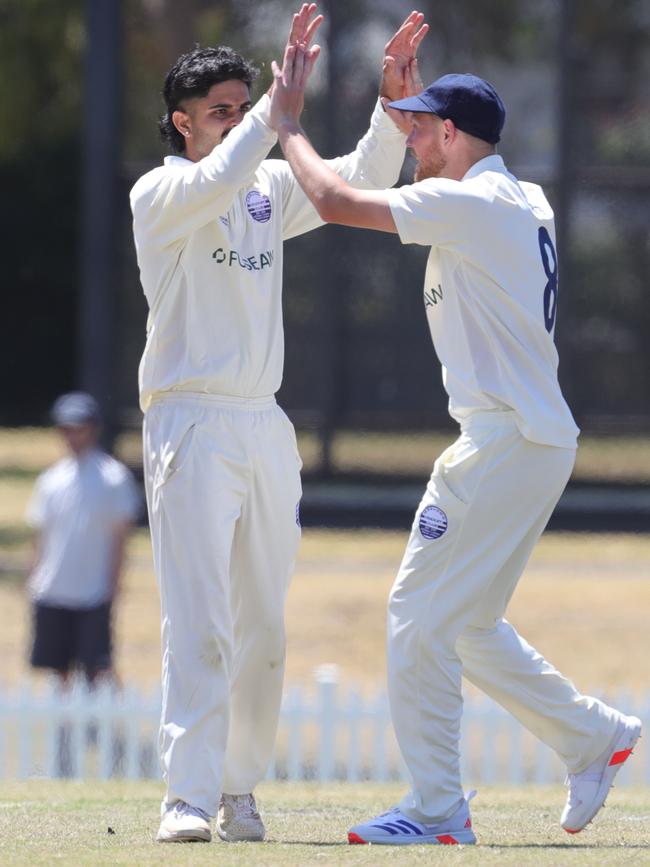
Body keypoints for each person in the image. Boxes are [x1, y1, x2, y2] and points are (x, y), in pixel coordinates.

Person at [269, 45, 642, 845]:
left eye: (417, 131)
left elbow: (333, 200)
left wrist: (288, 125)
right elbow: (417, 192)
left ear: (451, 134)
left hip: (504, 440)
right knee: (467, 624)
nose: (408, 143)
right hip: (529, 438)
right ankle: (592, 736)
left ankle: (438, 806)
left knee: (415, 618)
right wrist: (400, 104)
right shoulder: (512, 197)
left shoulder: (475, 205)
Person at [129, 3, 428, 844]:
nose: (234, 121)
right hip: (189, 421)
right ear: (183, 121)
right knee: (200, 620)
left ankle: (238, 789)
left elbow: (362, 175)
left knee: (262, 622)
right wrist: (273, 113)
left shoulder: (264, 188)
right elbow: (217, 176)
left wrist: (389, 102)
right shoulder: (162, 192)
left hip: (262, 424)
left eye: (240, 104)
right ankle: (184, 796)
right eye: (218, 111)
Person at [26, 392, 139, 689]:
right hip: (54, 588)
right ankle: (65, 731)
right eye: (66, 428)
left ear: (93, 428)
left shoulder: (113, 478)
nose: (72, 435)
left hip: (93, 589)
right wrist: (34, 578)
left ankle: (109, 728)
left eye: (79, 427)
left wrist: (114, 583)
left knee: (99, 667)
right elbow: (40, 536)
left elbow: (120, 538)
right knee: (58, 668)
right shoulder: (51, 479)